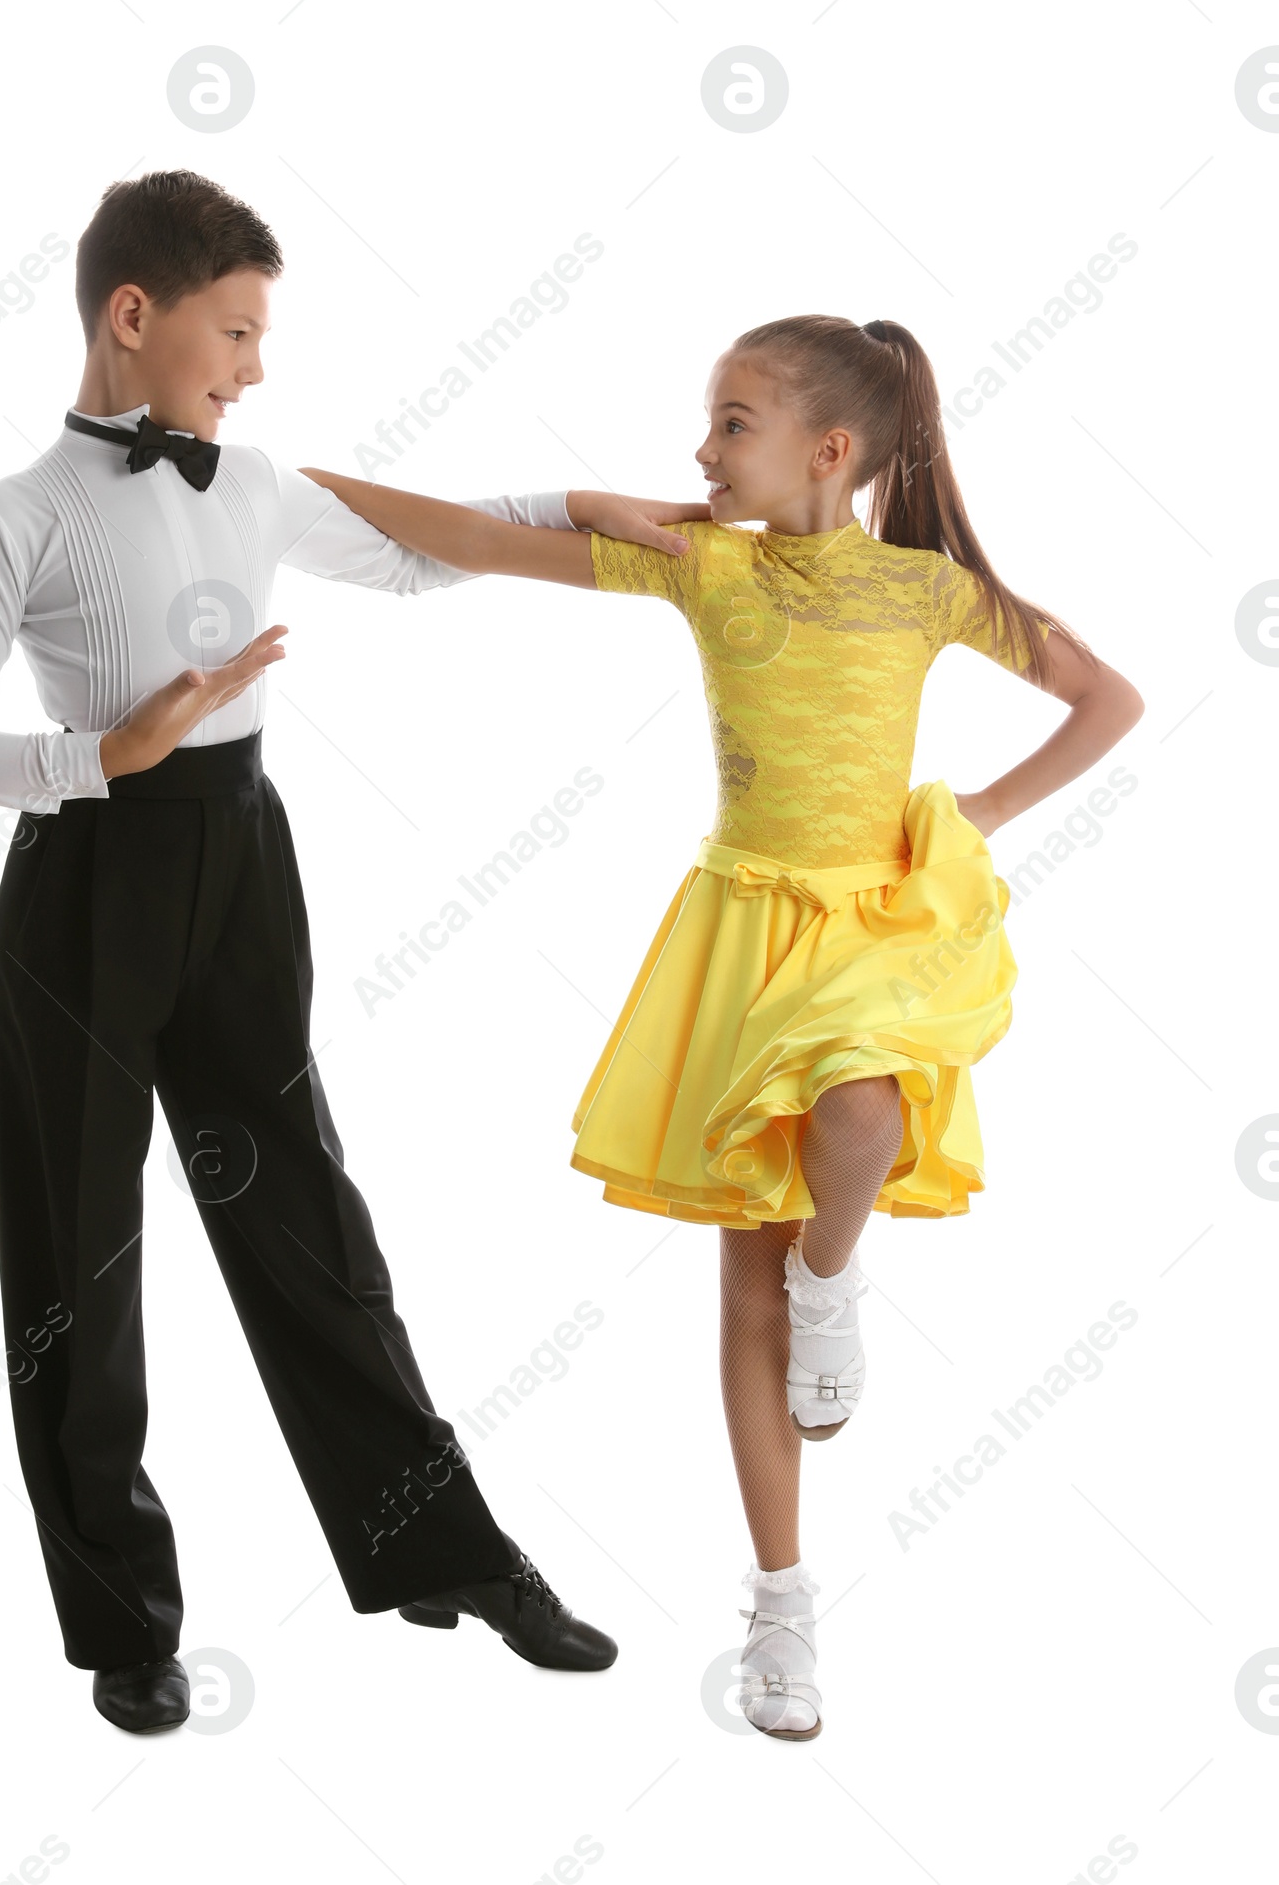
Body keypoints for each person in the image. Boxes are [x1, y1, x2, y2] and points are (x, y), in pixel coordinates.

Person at [0, 170, 686, 1730]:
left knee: (309, 1216)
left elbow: (410, 547)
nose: (254, 368)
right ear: (135, 318)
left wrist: (589, 515)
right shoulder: (14, 516)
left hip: (242, 864)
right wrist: (104, 756)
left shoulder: (249, 482)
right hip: (84, 889)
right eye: (235, 331)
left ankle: (442, 1549)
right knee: (77, 1256)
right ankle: (123, 1622)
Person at [299, 311, 1145, 1740]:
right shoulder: (708, 565)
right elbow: (471, 545)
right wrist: (269, 486)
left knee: (864, 1117)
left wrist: (982, 815)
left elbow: (1105, 696)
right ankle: (783, 1606)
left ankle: (836, 1279)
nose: (702, 451)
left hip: (872, 924)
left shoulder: (928, 591)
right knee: (739, 1293)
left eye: (733, 424)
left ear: (829, 449)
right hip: (748, 933)